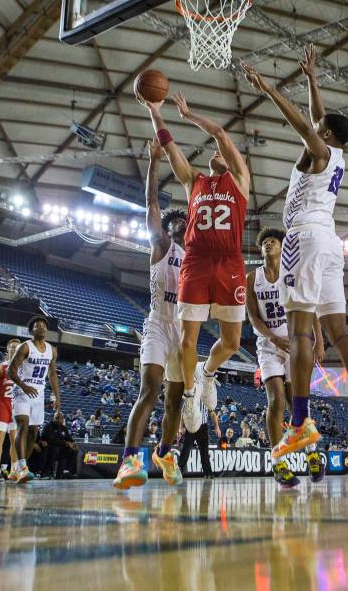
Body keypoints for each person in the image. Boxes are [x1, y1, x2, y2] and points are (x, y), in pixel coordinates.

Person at [242, 47, 348, 461]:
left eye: (319, 128)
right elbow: (320, 121)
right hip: (329, 242)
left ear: (324, 135)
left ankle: (300, 423)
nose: (315, 128)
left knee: (300, 330)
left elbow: (307, 125)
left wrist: (269, 87)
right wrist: (312, 80)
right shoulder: (335, 152)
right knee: (339, 332)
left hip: (304, 239)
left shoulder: (320, 149)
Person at [141, 91, 250, 437]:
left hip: (230, 261)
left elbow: (219, 133)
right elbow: (169, 146)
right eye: (215, 154)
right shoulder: (194, 182)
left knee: (232, 342)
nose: (218, 153)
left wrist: (188, 114)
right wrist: (156, 113)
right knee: (188, 339)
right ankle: (190, 396)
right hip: (197, 262)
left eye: (224, 153)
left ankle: (208, 372)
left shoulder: (242, 180)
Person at [114, 140, 187, 490]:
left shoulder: (197, 258)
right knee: (150, 389)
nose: (185, 225)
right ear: (170, 228)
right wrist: (155, 161)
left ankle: (166, 451)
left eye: (188, 222)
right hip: (159, 322)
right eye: (179, 222)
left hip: (185, 329)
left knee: (175, 400)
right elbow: (152, 202)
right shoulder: (162, 245)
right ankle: (129, 460)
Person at [247, 226, 327, 488]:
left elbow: (309, 308)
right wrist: (273, 337)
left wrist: (319, 340)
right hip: (269, 346)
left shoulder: (292, 275)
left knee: (297, 405)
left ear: (282, 247)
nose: (268, 245)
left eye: (273, 241)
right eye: (264, 242)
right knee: (275, 401)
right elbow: (253, 317)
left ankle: (312, 454)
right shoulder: (252, 278)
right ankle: (278, 463)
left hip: (295, 342)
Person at [7, 316, 60, 483]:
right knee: (23, 424)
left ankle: (20, 468)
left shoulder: (52, 350)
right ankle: (21, 466)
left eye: (44, 326)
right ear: (31, 331)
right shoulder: (25, 347)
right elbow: (10, 371)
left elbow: (52, 374)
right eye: (38, 326)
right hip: (22, 392)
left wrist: (57, 396)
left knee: (33, 432)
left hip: (39, 393)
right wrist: (23, 386)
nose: (42, 328)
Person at [0, 340, 20, 482]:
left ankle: (14, 470)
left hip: (17, 405)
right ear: (7, 349)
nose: (14, 349)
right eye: (12, 347)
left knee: (15, 440)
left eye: (17, 347)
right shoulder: (0, 367)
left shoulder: (23, 367)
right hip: (2, 403)